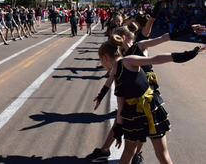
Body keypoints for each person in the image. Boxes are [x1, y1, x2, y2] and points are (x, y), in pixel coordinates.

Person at [88, 24, 205, 163]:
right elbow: (119, 103)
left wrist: (189, 47)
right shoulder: (121, 65)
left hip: (149, 101)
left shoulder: (133, 53)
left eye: (101, 61)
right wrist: (117, 128)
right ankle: (111, 150)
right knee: (143, 151)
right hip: (136, 109)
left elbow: (160, 49)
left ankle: (134, 153)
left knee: (144, 151)